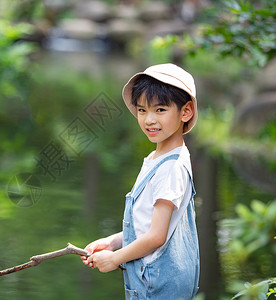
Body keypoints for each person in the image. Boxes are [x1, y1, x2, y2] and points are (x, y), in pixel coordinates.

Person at [81, 63, 200, 299]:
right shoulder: (158, 157)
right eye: (142, 110)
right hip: (151, 280)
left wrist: (115, 259)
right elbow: (147, 225)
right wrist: (113, 241)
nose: (149, 120)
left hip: (157, 287)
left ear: (185, 112)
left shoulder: (171, 168)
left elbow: (156, 236)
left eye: (160, 110)